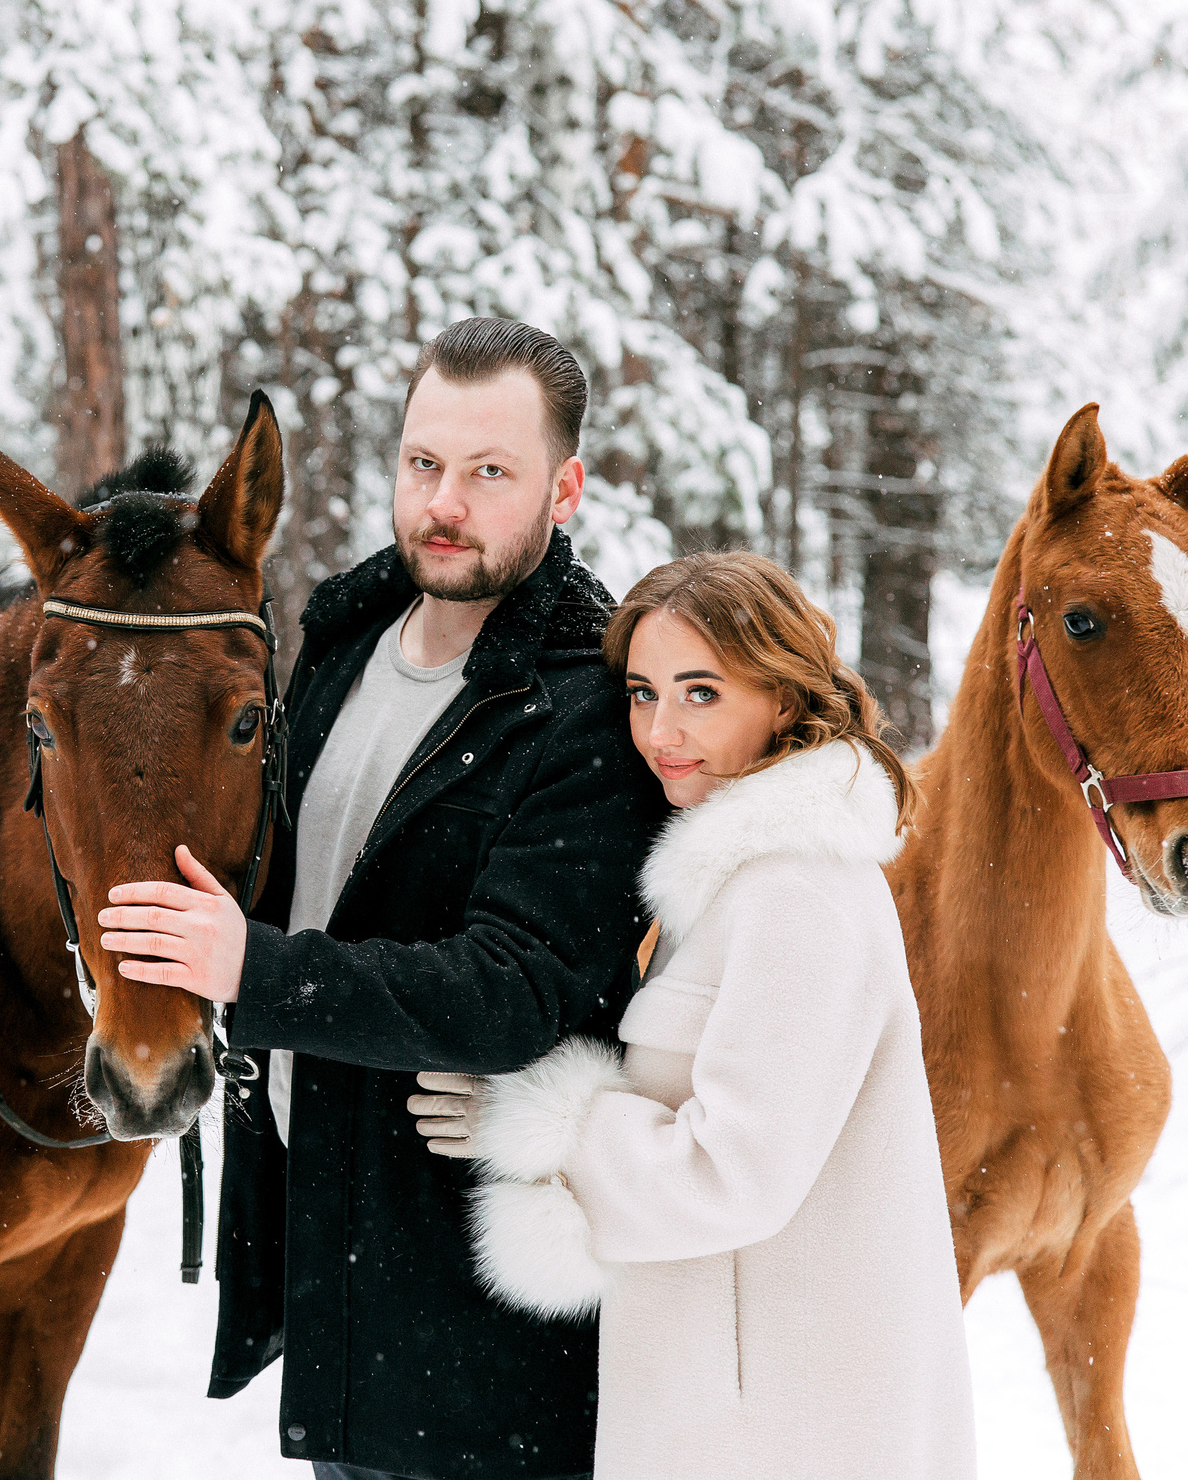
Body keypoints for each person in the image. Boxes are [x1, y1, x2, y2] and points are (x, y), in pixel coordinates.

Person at [98, 317, 667, 1480]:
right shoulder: (339, 641)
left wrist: (251, 971)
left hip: (477, 1317)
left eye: (489, 472)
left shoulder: (585, 706)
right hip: (334, 1259)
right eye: (423, 463)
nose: (443, 503)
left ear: (563, 490)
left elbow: (512, 991)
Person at [410, 552, 975, 1479]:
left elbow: (731, 1172)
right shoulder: (736, 880)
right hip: (744, 1402)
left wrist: (547, 1124)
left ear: (783, 699)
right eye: (643, 692)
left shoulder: (797, 890)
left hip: (785, 1430)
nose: (660, 730)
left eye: (700, 693)